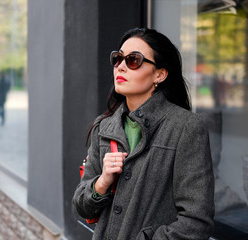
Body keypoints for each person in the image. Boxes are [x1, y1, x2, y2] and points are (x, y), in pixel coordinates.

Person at [73, 28, 215, 240]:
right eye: (118, 58)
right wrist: (102, 183)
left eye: (133, 60)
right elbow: (82, 207)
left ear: (160, 74)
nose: (120, 66)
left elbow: (196, 221)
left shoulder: (185, 128)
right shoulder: (103, 128)